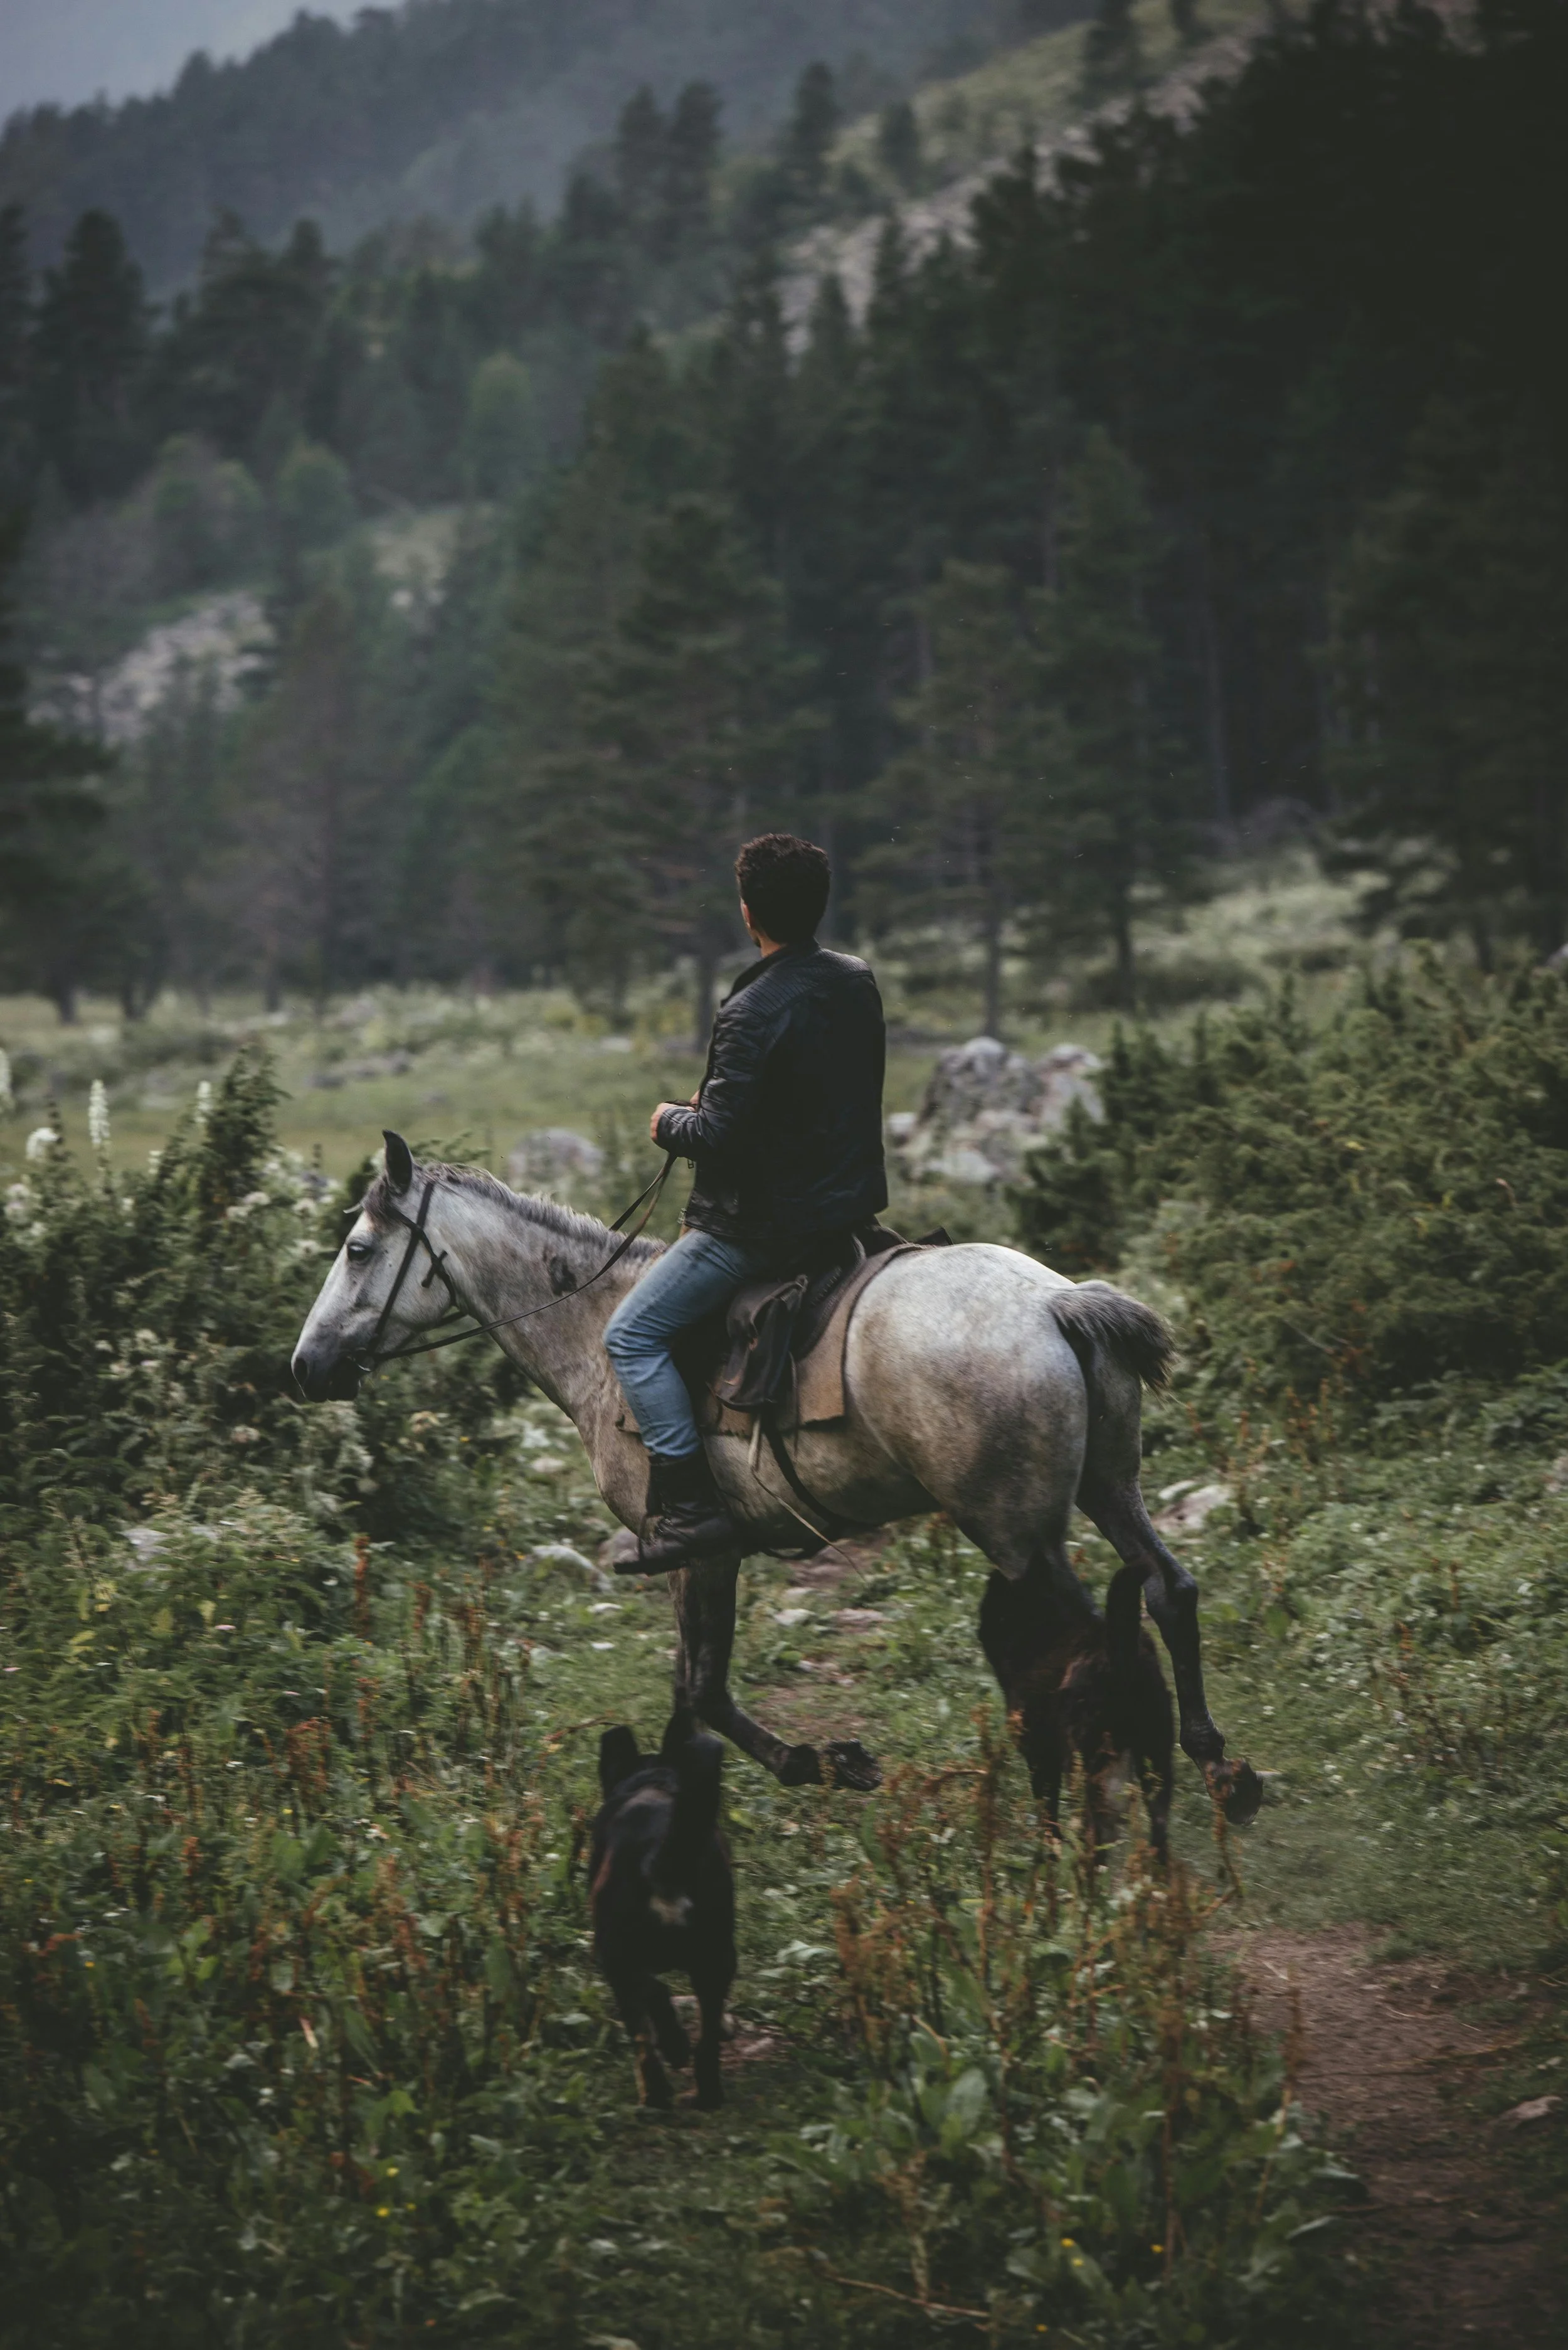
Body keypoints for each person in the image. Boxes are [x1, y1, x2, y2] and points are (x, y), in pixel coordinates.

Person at [603, 832, 887, 1571]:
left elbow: (721, 1136)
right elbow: (815, 1092)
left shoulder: (751, 1007)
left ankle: (692, 1508)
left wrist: (671, 1119)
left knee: (630, 1335)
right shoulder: (855, 979)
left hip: (761, 1228)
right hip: (845, 1210)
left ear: (748, 912)